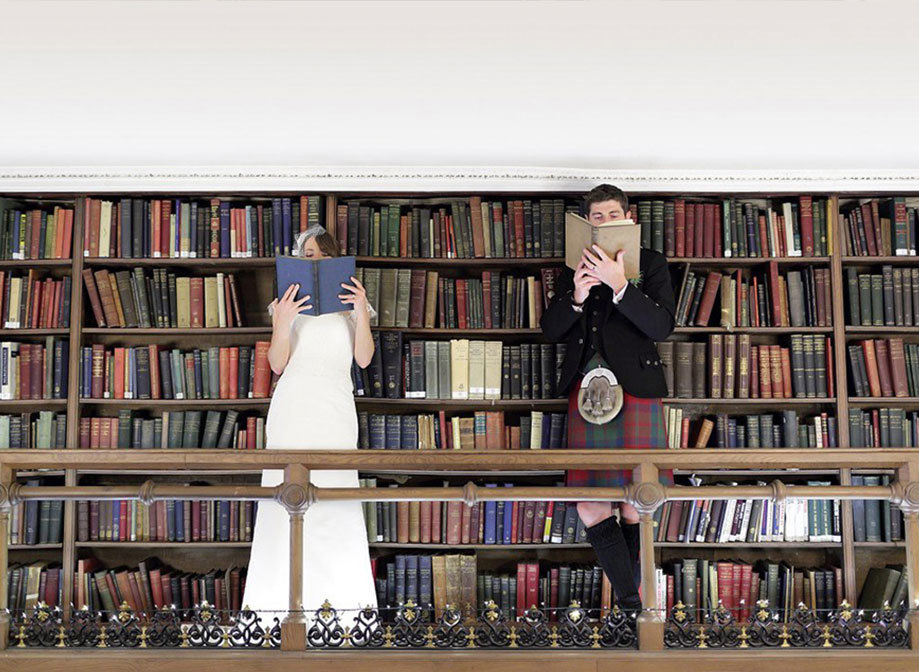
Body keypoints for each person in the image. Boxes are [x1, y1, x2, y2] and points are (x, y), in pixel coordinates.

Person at [539, 184, 675, 612]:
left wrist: (621, 286)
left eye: (612, 214)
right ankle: (635, 605)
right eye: (596, 217)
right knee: (588, 505)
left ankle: (635, 611)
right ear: (587, 224)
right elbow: (549, 330)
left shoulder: (651, 264)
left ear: (628, 220)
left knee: (639, 503)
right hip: (587, 395)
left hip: (635, 390)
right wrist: (576, 297)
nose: (604, 222)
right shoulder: (571, 268)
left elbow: (661, 327)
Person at [242, 224, 378, 630]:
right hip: (293, 409)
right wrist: (282, 320)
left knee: (335, 501)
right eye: (305, 255)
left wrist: (360, 311)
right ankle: (271, 616)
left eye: (317, 254)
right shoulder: (285, 303)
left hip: (335, 409)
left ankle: (347, 617)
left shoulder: (351, 304)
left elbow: (365, 359)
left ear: (332, 258)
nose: (311, 260)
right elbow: (278, 364)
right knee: (284, 500)